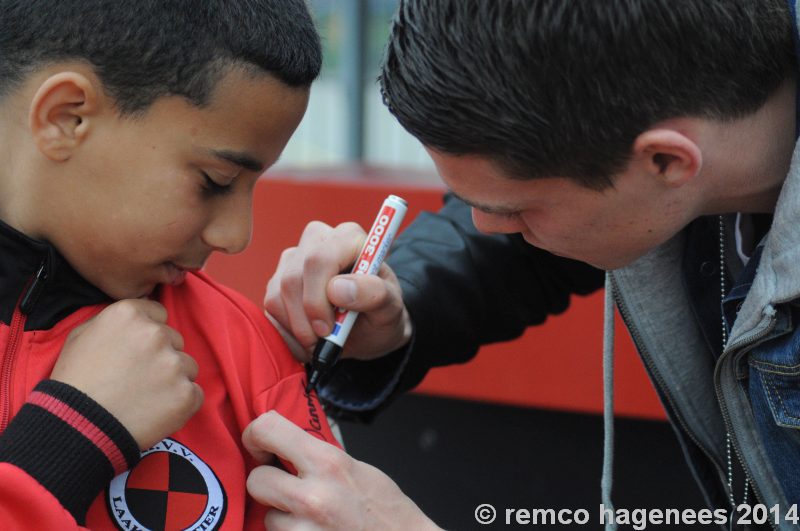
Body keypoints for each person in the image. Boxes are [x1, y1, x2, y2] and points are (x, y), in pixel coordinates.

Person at [254, 0, 800, 529]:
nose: (485, 224)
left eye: (513, 209)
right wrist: (398, 305)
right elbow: (509, 249)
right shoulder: (636, 131)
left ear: (666, 160)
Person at [0, 1, 341, 529]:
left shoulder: (243, 352)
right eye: (216, 181)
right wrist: (72, 435)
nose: (236, 236)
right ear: (66, 116)